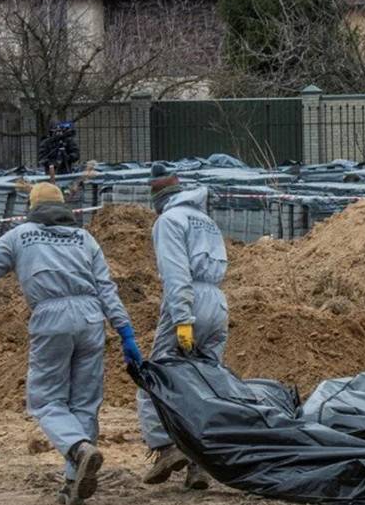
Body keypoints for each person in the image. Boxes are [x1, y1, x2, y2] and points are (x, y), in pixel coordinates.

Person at [0, 183, 142, 505]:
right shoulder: (85, 238)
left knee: (46, 400)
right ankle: (72, 483)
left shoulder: (21, 236)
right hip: (92, 318)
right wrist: (126, 333)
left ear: (32, 207)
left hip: (51, 318)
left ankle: (78, 448)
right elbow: (107, 288)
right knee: (84, 402)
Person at [137, 164, 228, 490]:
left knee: (155, 379)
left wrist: (183, 321)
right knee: (202, 385)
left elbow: (177, 275)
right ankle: (198, 463)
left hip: (189, 304)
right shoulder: (206, 221)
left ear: (158, 198)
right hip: (218, 304)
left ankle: (166, 447)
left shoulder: (169, 221)